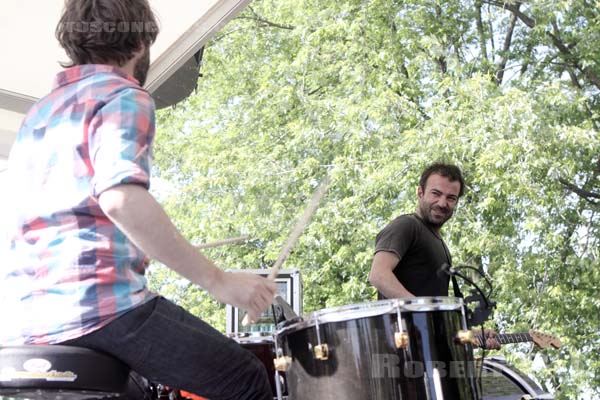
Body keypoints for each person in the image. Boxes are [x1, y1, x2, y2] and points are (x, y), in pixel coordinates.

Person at [0, 1, 276, 399]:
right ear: (141, 43)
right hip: (97, 307)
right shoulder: (123, 95)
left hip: (25, 318)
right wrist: (220, 282)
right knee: (245, 377)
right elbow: (120, 200)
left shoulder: (39, 113)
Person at [369, 162, 499, 348]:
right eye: (436, 194)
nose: (442, 203)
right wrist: (422, 310)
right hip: (403, 350)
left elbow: (437, 322)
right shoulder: (406, 226)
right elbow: (379, 275)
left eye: (451, 198)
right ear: (420, 193)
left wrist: (469, 334)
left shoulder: (440, 245)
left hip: (429, 350)